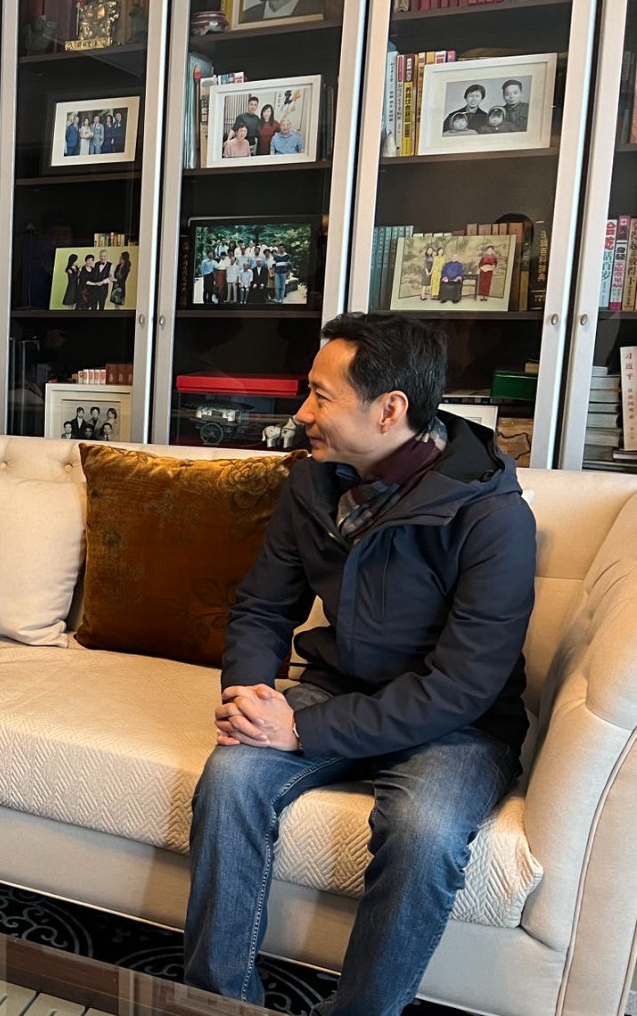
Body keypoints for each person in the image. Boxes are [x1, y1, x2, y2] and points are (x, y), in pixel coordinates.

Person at [183, 311, 535, 1016]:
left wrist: (302, 731)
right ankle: (219, 1003)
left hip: (456, 725)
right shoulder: (313, 486)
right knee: (231, 774)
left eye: (321, 396)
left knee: (424, 831)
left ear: (389, 410)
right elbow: (262, 608)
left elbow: (463, 685)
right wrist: (251, 696)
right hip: (338, 687)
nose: (302, 413)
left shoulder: (492, 516)